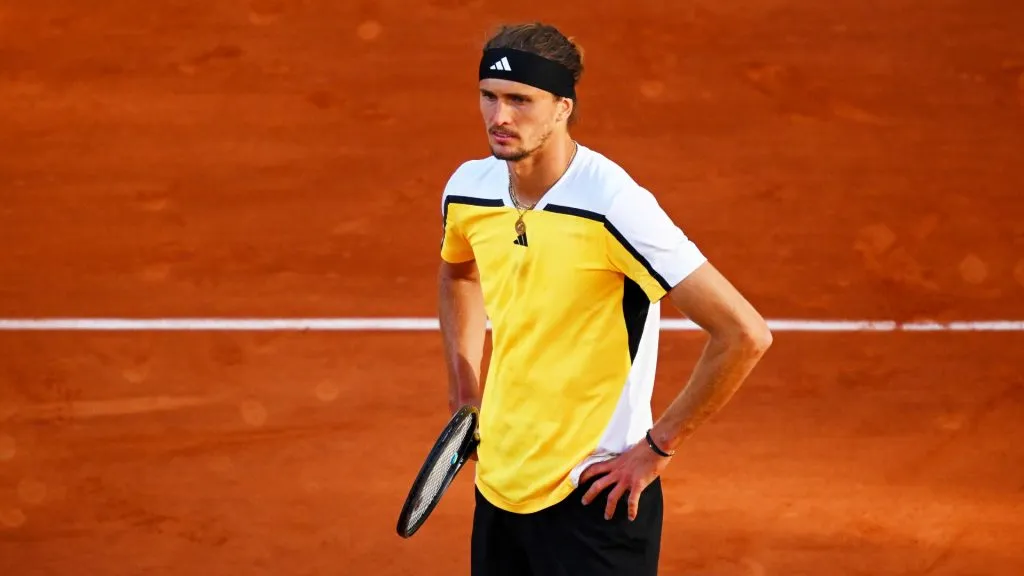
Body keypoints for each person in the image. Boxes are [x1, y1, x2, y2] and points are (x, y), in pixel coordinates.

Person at [436, 22, 773, 576]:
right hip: (500, 483)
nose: (500, 117)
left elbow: (744, 333)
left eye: (520, 100)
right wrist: (464, 389)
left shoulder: (612, 206)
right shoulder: (469, 190)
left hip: (596, 494)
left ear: (562, 107)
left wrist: (658, 448)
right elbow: (459, 276)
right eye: (489, 97)